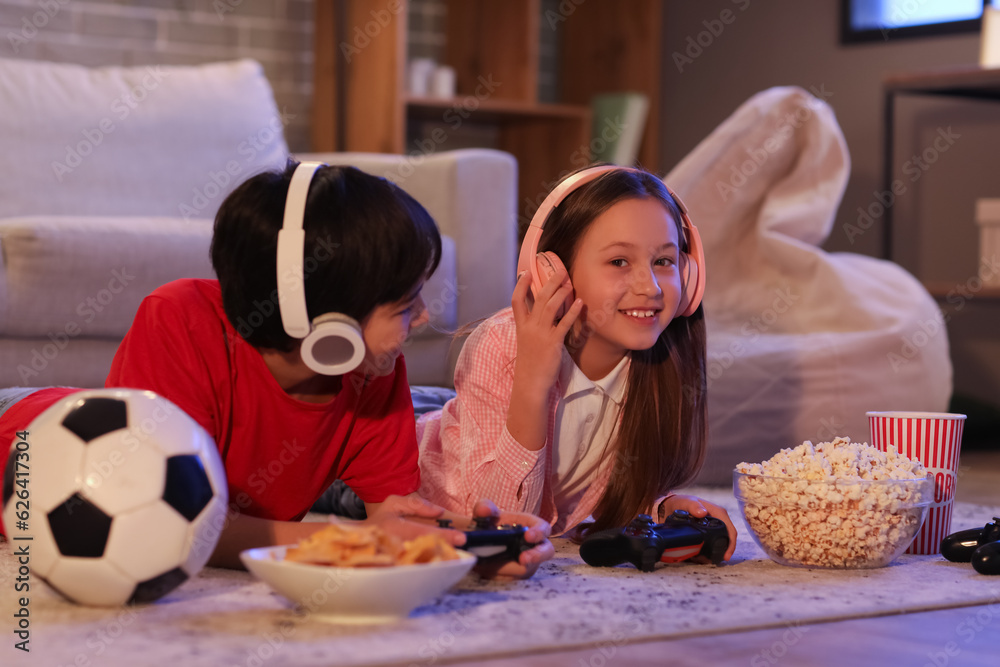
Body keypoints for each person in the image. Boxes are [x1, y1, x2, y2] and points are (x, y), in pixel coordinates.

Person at [0, 161, 553, 577]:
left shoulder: (375, 369)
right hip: (26, 439)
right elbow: (171, 531)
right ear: (329, 328)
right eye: (405, 304)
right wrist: (347, 534)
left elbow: (392, 519)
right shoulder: (180, 319)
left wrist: (468, 542)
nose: (426, 315)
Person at [417, 164, 737, 558]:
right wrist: (533, 383)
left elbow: (602, 488)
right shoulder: (504, 344)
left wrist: (657, 509)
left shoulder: (661, 360)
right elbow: (499, 523)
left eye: (664, 261)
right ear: (552, 271)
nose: (649, 287)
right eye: (619, 262)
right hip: (412, 462)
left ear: (688, 277)